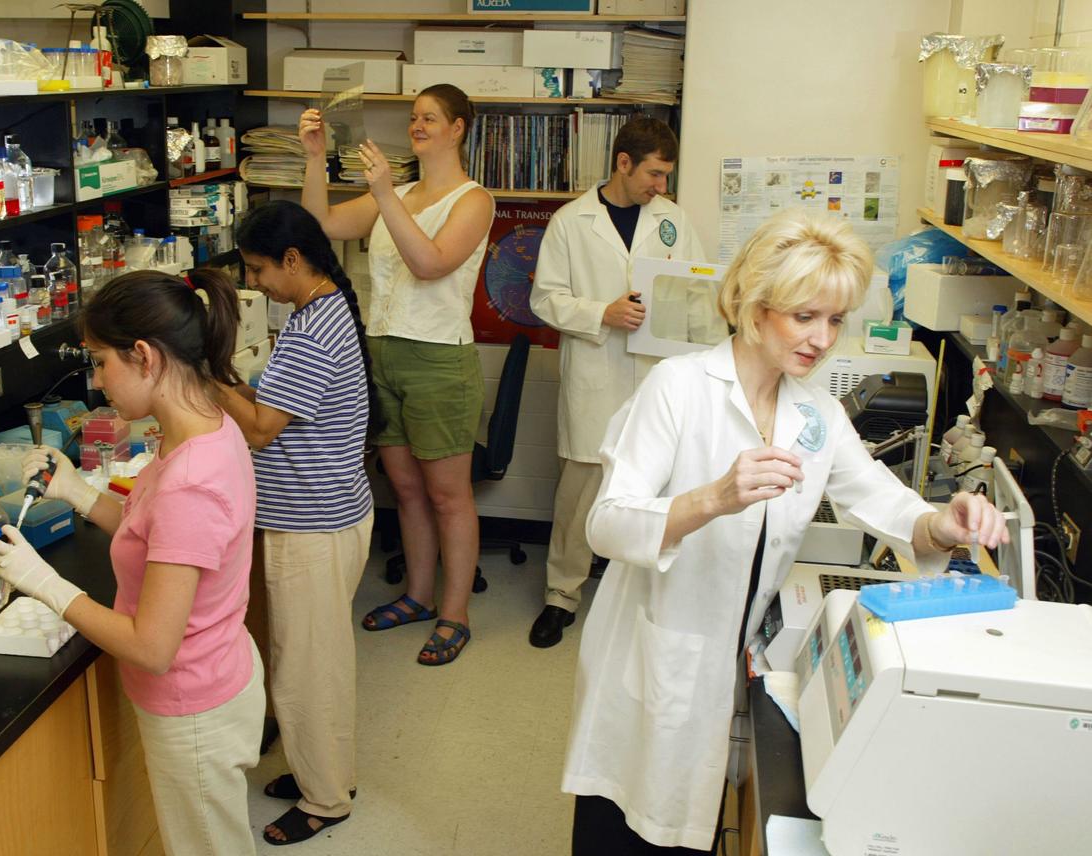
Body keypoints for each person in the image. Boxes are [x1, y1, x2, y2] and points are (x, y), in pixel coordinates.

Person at [562, 209, 1010, 854]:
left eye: (834, 320)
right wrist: (712, 497)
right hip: (656, 646)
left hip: (731, 652)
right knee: (626, 822)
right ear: (752, 302)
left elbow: (879, 497)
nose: (823, 338)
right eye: (805, 316)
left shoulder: (814, 411)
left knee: (688, 820)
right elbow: (606, 523)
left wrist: (943, 521)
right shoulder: (679, 388)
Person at [0, 269, 264, 856]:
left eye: (102, 362)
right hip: (219, 672)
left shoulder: (191, 480)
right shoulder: (204, 429)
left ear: (144, 356)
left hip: (192, 706)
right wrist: (79, 491)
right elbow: (153, 530)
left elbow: (152, 646)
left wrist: (48, 585)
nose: (98, 380)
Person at [298, 83, 494, 666]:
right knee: (404, 487)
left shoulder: (473, 199)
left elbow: (429, 263)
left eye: (430, 118)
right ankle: (416, 595)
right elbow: (321, 225)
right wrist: (314, 158)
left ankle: (454, 615)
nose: (418, 125)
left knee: (448, 495)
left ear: (458, 128)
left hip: (439, 359)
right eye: (413, 117)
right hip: (381, 353)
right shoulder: (400, 191)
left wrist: (385, 194)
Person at [212, 200, 377, 845]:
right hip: (323, 513)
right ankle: (324, 771)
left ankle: (327, 798)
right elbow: (272, 403)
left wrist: (202, 375)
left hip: (314, 523)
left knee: (308, 668)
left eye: (257, 270)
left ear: (291, 260)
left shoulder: (313, 329)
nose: (253, 283)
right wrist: (233, 383)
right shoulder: (320, 309)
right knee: (313, 658)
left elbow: (258, 429)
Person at [528, 115, 726, 649]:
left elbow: (699, 299)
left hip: (658, 379)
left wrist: (712, 366)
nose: (661, 187)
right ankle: (561, 594)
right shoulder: (572, 221)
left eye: (666, 177)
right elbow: (544, 298)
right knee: (581, 490)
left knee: (659, 486)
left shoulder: (672, 220)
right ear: (623, 163)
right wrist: (602, 312)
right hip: (595, 370)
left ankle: (646, 592)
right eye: (655, 174)